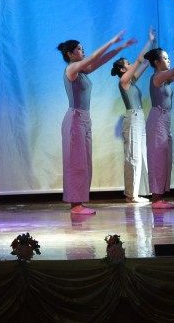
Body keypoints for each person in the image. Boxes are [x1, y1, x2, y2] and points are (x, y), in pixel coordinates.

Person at [58, 31, 137, 215]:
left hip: (84, 119)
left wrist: (120, 47)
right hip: (75, 118)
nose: (83, 51)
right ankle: (75, 205)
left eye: (82, 48)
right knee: (76, 162)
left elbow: (100, 60)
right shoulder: (71, 69)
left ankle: (79, 202)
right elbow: (94, 56)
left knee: (85, 162)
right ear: (70, 54)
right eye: (79, 49)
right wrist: (112, 41)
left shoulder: (82, 71)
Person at [110, 27, 156, 203]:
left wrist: (153, 44)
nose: (131, 65)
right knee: (133, 155)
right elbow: (139, 60)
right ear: (123, 70)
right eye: (127, 64)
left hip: (139, 118)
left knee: (141, 154)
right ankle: (131, 195)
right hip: (133, 118)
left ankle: (137, 192)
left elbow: (146, 62)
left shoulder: (131, 81)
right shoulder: (123, 81)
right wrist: (148, 41)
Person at [144, 46, 174, 209]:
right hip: (158, 119)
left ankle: (160, 196)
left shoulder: (165, 79)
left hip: (165, 119)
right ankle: (156, 199)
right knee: (157, 158)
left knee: (165, 157)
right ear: (156, 62)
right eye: (165, 58)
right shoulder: (158, 77)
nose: (169, 60)